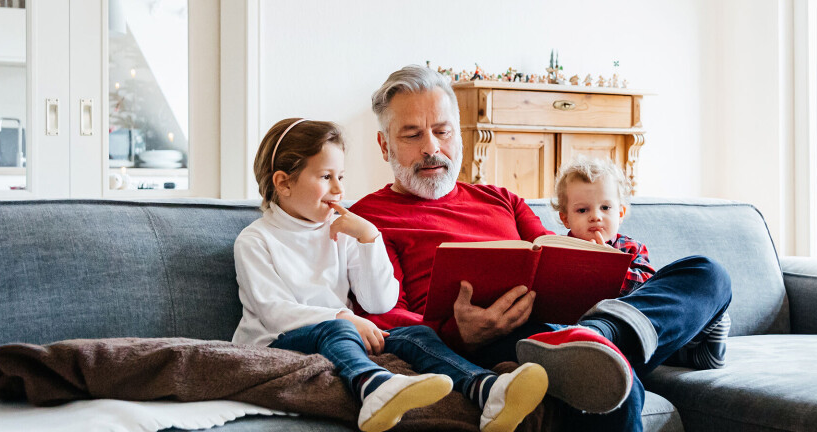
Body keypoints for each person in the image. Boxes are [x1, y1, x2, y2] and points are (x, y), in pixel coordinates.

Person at [349, 65, 733, 431]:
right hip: (497, 344)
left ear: (460, 135)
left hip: (567, 325)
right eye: (412, 135)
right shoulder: (366, 220)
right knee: (618, 389)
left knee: (707, 273)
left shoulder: (501, 199)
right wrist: (457, 334)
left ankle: (601, 334)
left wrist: (594, 262)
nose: (431, 147)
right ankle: (612, 342)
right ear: (384, 145)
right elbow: (385, 317)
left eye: (442, 131)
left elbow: (554, 255)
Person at [232, 118, 548, 432]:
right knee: (336, 331)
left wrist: (370, 239)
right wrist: (343, 317)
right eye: (326, 177)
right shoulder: (256, 240)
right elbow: (275, 313)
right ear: (284, 183)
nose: (340, 189)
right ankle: (374, 387)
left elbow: (380, 301)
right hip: (277, 342)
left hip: (343, 334)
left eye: (341, 176)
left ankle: (486, 388)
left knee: (418, 335)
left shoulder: (343, 231)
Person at [548, 156, 731, 371]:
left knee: (707, 272)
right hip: (575, 325)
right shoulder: (558, 250)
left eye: (605, 208)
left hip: (631, 323)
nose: (595, 217)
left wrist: (612, 266)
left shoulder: (630, 248)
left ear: (621, 213)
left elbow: (647, 288)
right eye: (582, 210)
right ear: (565, 218)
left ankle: (694, 347)